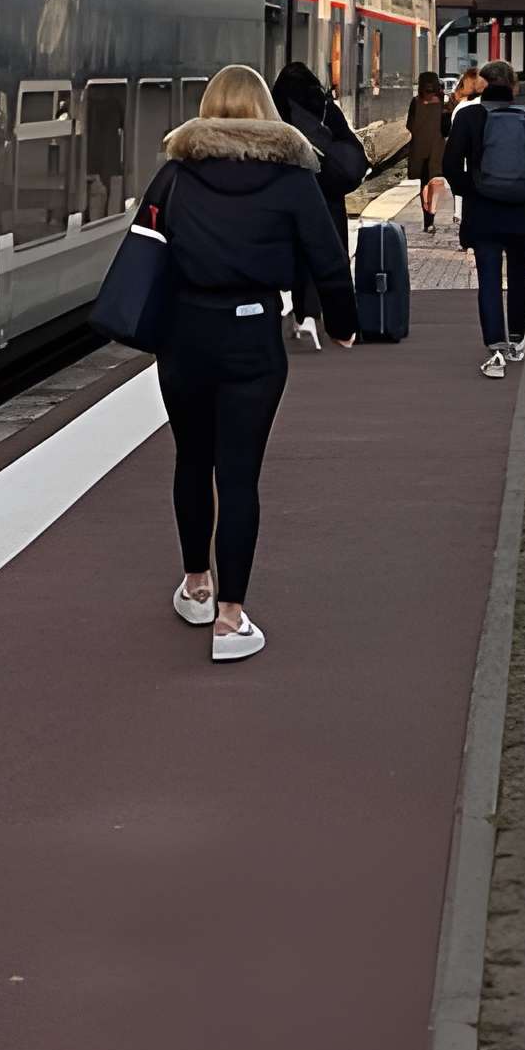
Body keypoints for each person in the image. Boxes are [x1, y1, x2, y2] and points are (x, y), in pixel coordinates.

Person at [137, 65, 359, 663]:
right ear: (266, 111)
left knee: (192, 459)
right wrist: (342, 324)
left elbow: (143, 248)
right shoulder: (291, 179)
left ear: (208, 110)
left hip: (183, 335)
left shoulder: (175, 175)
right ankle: (231, 622)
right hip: (251, 334)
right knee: (238, 475)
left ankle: (196, 586)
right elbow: (329, 260)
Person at [445, 58, 525, 380]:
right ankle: (516, 342)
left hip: (482, 215)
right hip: (520, 214)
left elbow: (451, 166)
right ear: (513, 86)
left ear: (482, 85)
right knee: (519, 276)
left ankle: (495, 350)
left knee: (489, 280)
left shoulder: (468, 117)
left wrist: (474, 190)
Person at [272, 60, 368, 342]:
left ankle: (305, 313)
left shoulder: (277, 112)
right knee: (334, 257)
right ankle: (345, 322)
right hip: (330, 193)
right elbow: (350, 144)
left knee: (299, 256)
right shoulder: (327, 108)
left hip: (294, 193)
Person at [406, 69, 453, 233]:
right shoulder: (443, 102)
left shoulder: (415, 102)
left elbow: (409, 125)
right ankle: (430, 218)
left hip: (419, 148)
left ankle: (427, 220)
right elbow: (447, 128)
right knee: (434, 183)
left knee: (424, 184)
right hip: (437, 149)